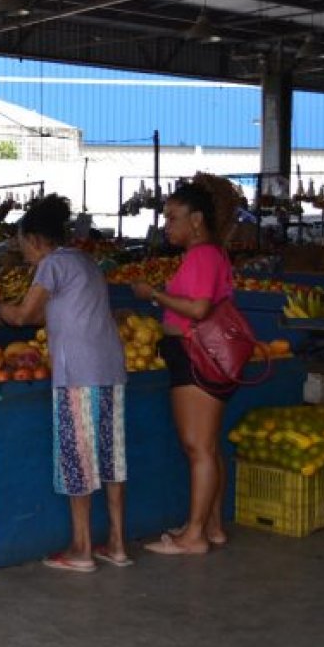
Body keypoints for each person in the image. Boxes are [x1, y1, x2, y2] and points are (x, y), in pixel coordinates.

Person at [0, 195, 130, 572]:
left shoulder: (51, 264)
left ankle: (82, 548)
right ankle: (118, 545)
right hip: (111, 370)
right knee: (112, 460)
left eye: (23, 245)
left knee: (78, 460)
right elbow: (56, 314)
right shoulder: (84, 261)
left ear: (37, 240)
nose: (22, 253)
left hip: (78, 375)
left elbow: (24, 315)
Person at [130, 174, 242, 556]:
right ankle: (211, 527)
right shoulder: (210, 255)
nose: (167, 225)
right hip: (205, 357)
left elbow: (198, 308)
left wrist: (154, 294)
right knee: (207, 447)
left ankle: (193, 535)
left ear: (196, 220)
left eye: (173, 217)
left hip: (196, 358)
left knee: (197, 448)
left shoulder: (202, 255)